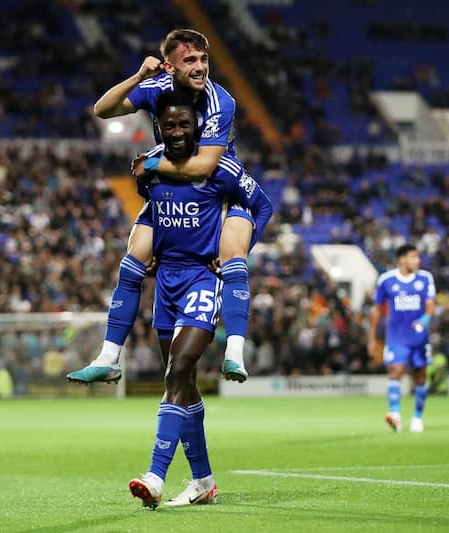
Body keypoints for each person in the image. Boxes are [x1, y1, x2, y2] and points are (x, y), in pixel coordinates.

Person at [68, 29, 259, 384]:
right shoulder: (157, 88)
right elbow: (102, 109)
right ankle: (109, 356)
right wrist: (139, 76)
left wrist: (152, 163)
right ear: (170, 67)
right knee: (134, 257)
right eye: (190, 60)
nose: (200, 67)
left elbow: (204, 166)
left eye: (204, 59)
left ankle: (235, 351)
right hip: (173, 192)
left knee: (232, 257)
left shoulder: (221, 102)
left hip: (217, 191)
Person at [125, 90, 272, 508]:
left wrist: (235, 250)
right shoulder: (151, 166)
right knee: (184, 385)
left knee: (180, 367)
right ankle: (203, 481)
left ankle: (155, 475)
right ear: (159, 127)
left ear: (199, 128)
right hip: (167, 284)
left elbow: (262, 206)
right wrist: (156, 246)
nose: (176, 132)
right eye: (168, 125)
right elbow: (156, 210)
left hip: (203, 283)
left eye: (184, 124)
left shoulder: (221, 166)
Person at [368, 244, 436, 433]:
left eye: (418, 257)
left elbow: (430, 306)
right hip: (396, 337)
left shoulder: (425, 278)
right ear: (402, 259)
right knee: (395, 370)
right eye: (414, 257)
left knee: (420, 376)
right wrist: (372, 338)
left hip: (419, 338)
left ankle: (417, 417)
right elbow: (376, 309)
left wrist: (423, 320)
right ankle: (396, 415)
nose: (418, 261)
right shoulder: (386, 280)